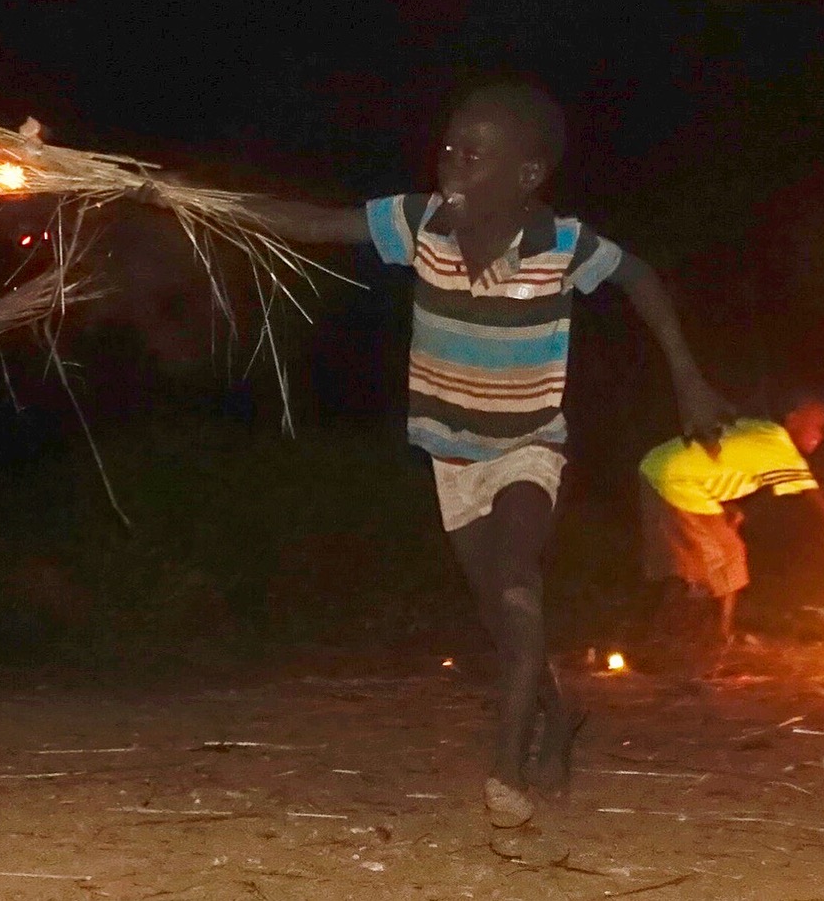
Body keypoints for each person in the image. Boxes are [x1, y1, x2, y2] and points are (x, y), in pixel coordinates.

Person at [248, 79, 734, 829]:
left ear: (527, 175)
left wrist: (690, 378)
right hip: (451, 452)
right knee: (500, 615)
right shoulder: (419, 224)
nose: (450, 165)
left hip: (528, 447)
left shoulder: (563, 245)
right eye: (448, 148)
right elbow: (316, 222)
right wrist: (207, 206)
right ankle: (557, 719)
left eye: (473, 155)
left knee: (515, 581)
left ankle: (508, 766)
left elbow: (638, 276)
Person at [640, 395, 824, 653]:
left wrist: (729, 506)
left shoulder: (766, 431)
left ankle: (706, 635)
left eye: (823, 428)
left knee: (712, 557)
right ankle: (693, 639)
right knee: (718, 561)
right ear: (792, 419)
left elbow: (728, 461)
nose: (820, 435)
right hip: (676, 479)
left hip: (659, 464)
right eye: (815, 425)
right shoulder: (783, 454)